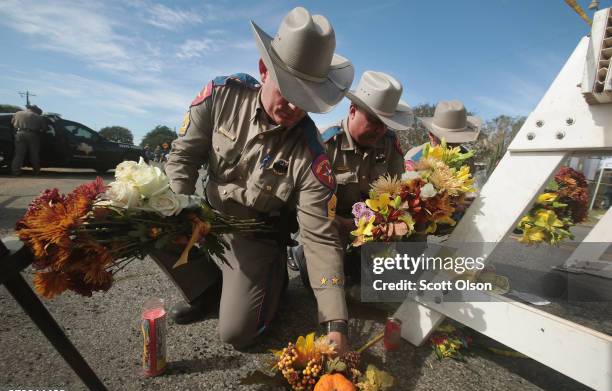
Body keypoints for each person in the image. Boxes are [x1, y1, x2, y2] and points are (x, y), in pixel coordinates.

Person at [154, 7, 354, 352]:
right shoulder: (221, 96)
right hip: (207, 217)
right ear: (264, 70)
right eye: (288, 90)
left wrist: (335, 323)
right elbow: (183, 158)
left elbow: (319, 238)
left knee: (237, 334)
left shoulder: (312, 154)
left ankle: (272, 276)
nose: (293, 106)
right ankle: (207, 290)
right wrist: (176, 211)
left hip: (255, 236)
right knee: (152, 221)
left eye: (306, 99)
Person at [291, 71, 413, 287]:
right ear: (352, 110)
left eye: (386, 123)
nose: (380, 130)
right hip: (330, 223)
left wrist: (386, 223)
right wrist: (348, 225)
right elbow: (311, 207)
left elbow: (397, 194)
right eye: (374, 121)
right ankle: (300, 251)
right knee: (321, 280)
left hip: (371, 222)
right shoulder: (325, 142)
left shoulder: (389, 144)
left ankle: (357, 265)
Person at [404, 100, 481, 168]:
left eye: (456, 140)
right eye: (446, 142)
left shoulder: (467, 160)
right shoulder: (414, 159)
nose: (451, 148)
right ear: (431, 135)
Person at [11, 105, 46, 176]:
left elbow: (12, 123)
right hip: (33, 135)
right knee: (34, 154)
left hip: (19, 134)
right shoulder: (38, 117)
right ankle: (36, 171)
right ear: (36, 110)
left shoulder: (17, 113)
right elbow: (44, 128)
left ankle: (15, 171)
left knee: (19, 154)